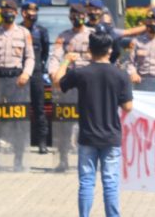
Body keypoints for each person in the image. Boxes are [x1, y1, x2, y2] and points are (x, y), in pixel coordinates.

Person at [53, 31, 133, 217]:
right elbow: (128, 107)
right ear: (110, 50)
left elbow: (57, 82)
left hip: (87, 135)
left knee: (87, 182)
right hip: (111, 136)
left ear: (90, 50)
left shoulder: (81, 73)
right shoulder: (120, 75)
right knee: (110, 183)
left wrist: (66, 60)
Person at [0, 0, 35, 171]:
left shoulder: (24, 33)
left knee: (18, 121)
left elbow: (30, 57)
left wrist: (26, 74)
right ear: (1, 13)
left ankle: (18, 161)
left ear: (16, 13)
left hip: (17, 81)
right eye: (5, 11)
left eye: (11, 10)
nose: (8, 13)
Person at [48, 3, 94, 171]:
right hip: (69, 83)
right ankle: (63, 160)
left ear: (85, 17)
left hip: (88, 84)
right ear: (69, 18)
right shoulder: (63, 36)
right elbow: (55, 57)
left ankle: (87, 161)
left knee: (88, 123)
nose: (77, 18)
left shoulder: (93, 35)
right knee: (64, 124)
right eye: (74, 16)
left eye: (80, 15)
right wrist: (53, 72)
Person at [20, 2, 50, 154]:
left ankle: (42, 142)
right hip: (20, 74)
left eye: (35, 12)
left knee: (39, 108)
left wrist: (39, 66)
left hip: (36, 73)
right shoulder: (18, 29)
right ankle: (19, 141)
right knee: (20, 108)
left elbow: (45, 52)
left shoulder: (41, 31)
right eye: (30, 12)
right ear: (23, 13)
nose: (32, 15)